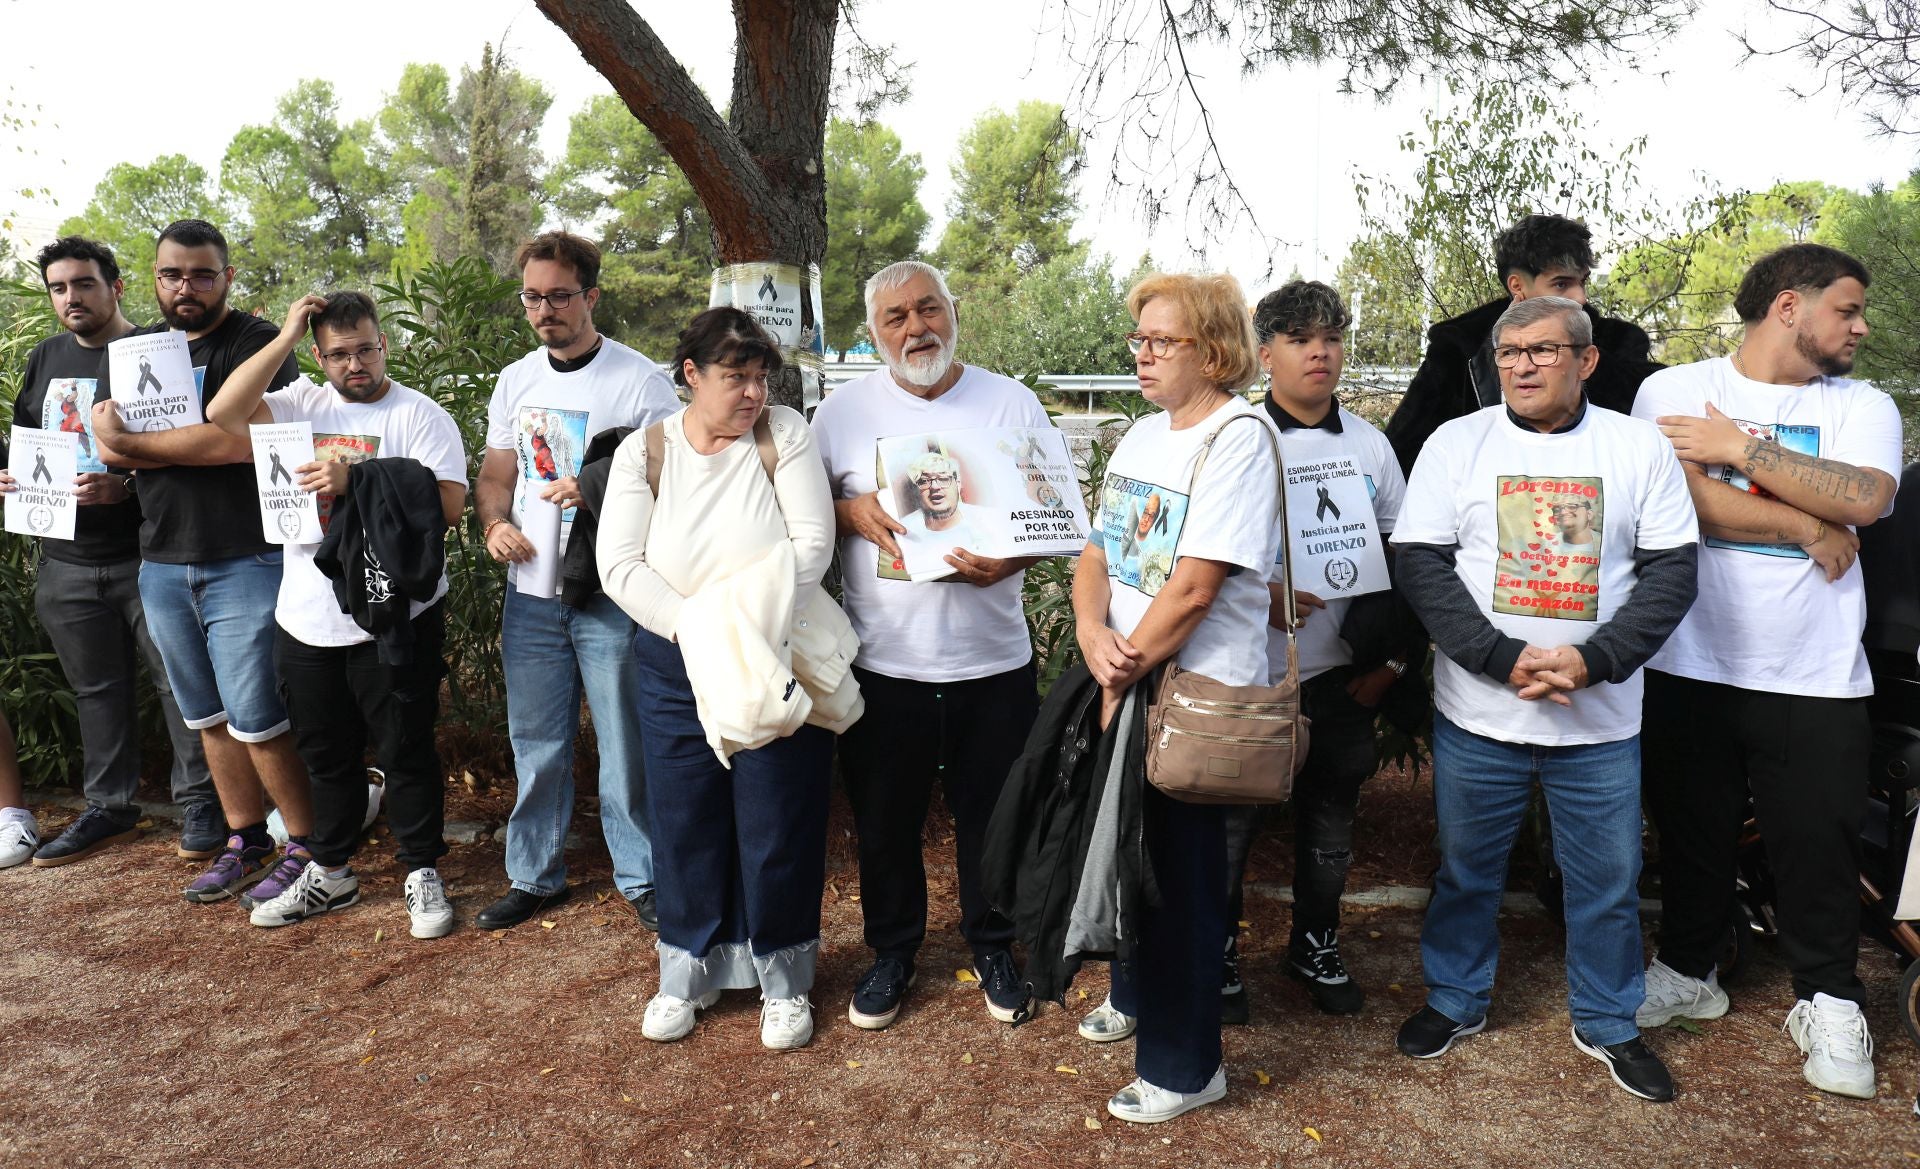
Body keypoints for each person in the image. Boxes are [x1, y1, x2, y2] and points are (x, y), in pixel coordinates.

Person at [1391, 295, 1698, 1103]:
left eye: (1543, 350)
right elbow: (1421, 562)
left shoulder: (1636, 448)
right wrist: (1500, 657)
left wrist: (1595, 660)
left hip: (1598, 720)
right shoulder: (1455, 444)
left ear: (1587, 360)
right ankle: (1455, 997)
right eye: (1509, 352)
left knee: (1607, 882)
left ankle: (1608, 1018)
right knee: (1465, 871)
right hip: (1480, 713)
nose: (1522, 365)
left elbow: (1673, 572)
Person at [1630, 244, 1899, 1100]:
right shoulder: (1670, 391)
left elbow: (1864, 498)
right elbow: (1679, 498)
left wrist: (1737, 447)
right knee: (1692, 829)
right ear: (1789, 306)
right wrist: (1799, 525)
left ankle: (1830, 997)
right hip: (1690, 656)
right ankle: (1688, 967)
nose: (1860, 326)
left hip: (1814, 668)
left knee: (1817, 843)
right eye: (1847, 310)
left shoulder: (1865, 403)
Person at [598, 307, 847, 1049]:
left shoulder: (783, 434)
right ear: (691, 376)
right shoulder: (645, 452)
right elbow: (620, 564)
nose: (751, 393)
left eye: (760, 376)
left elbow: (812, 544)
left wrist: (742, 626)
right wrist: (696, 627)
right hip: (676, 659)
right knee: (685, 814)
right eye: (735, 377)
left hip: (773, 647)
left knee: (778, 815)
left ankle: (784, 977)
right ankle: (688, 970)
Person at [812, 260, 1049, 1031]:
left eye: (928, 310)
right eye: (896, 318)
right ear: (874, 332)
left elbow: (1051, 515)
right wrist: (850, 511)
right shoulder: (841, 412)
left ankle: (995, 944)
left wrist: (1014, 556)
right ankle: (893, 951)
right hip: (886, 663)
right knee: (885, 820)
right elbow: (809, 513)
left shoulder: (1011, 403)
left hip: (994, 660)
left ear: (954, 311)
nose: (917, 329)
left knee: (995, 815)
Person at [1073, 272, 1284, 1124]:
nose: (1144, 353)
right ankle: (1136, 993)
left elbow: (1195, 588)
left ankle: (1186, 1063)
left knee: (1184, 882)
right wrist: (1092, 635)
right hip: (1121, 669)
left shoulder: (1236, 437)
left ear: (1215, 349)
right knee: (1133, 863)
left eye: (1164, 340)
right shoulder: (1141, 436)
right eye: (1140, 339)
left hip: (1186, 694)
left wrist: (1119, 667)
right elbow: (1097, 554)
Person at [204, 292, 469, 938]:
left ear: (386, 345)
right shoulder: (299, 406)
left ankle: (421, 868)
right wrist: (287, 332)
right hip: (307, 616)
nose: (356, 363)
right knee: (326, 754)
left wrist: (360, 479)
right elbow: (222, 411)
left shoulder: (420, 415)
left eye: (366, 348)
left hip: (395, 615)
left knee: (406, 749)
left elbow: (452, 505)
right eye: (340, 352)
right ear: (319, 356)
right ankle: (332, 869)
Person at [88, 219, 313, 908]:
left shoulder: (253, 342)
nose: (187, 286)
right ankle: (246, 839)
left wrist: (140, 446)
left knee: (257, 715)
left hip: (244, 555)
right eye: (172, 274)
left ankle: (307, 845)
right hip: (159, 560)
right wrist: (160, 443)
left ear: (227, 277)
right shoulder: (133, 349)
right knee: (206, 716)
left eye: (202, 274)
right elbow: (105, 446)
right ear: (153, 277)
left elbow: (241, 444)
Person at [1210, 281, 1415, 1023]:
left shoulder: (1369, 444)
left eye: (1330, 336)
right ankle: (1219, 953)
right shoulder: (1230, 436)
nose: (1319, 351)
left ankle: (1315, 941)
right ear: (1265, 354)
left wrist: (1388, 666)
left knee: (1331, 824)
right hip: (1249, 678)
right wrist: (1256, 596)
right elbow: (1184, 552)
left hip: (1338, 678)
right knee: (1232, 828)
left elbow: (1406, 557)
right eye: (1300, 339)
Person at [473, 232, 680, 931]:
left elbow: (672, 477)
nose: (544, 309)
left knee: (625, 740)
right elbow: (496, 475)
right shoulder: (516, 380)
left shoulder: (639, 380)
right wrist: (494, 524)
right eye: (533, 296)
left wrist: (595, 487)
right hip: (531, 587)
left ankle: (643, 875)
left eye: (560, 295)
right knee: (536, 739)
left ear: (591, 295)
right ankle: (534, 874)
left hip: (609, 589)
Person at [0, 236, 215, 866]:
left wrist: (124, 487)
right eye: (58, 288)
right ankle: (110, 807)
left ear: (116, 287)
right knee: (95, 689)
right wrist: (13, 476)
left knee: (180, 684)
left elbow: (193, 450)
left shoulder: (158, 350)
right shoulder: (44, 358)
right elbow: (31, 444)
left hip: (149, 554)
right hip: (64, 559)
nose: (71, 297)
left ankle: (202, 802)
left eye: (84, 284)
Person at [1384, 213, 1662, 474]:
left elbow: (1649, 424)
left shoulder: (1617, 341)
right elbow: (1403, 455)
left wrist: (1577, 352)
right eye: (1562, 284)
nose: (1580, 297)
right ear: (1517, 286)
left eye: (1583, 282)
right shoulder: (1460, 347)